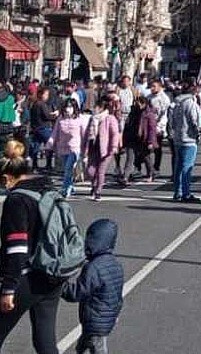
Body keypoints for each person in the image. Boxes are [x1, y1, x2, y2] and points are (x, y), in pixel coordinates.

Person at [0, 140, 62, 353]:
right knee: (45, 341)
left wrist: (8, 288)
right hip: (53, 272)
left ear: (7, 178)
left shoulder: (16, 201)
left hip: (26, 277)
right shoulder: (48, 190)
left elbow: (17, 248)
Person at [61, 218, 123, 354]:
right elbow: (118, 295)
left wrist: (61, 285)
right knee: (84, 345)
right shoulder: (115, 264)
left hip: (95, 320)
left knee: (98, 347)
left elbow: (77, 292)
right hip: (106, 317)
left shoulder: (94, 268)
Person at [168, 82, 201, 203]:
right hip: (189, 139)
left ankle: (178, 192)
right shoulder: (191, 104)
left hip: (177, 138)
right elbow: (197, 123)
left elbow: (171, 121)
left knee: (178, 167)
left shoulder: (175, 103)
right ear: (194, 92)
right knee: (187, 167)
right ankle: (185, 193)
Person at [85, 99, 122, 201]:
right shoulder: (92, 119)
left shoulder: (110, 118)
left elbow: (115, 134)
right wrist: (84, 147)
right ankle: (94, 184)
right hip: (93, 147)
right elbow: (87, 133)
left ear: (102, 108)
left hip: (106, 149)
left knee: (101, 171)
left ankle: (98, 191)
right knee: (90, 171)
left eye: (97, 107)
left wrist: (114, 147)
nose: (95, 109)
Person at [50, 99, 85, 198]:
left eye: (70, 107)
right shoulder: (60, 119)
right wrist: (50, 143)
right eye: (66, 107)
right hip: (62, 148)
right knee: (66, 169)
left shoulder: (79, 119)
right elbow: (55, 132)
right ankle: (71, 186)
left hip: (75, 148)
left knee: (68, 169)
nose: (67, 109)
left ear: (74, 108)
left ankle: (66, 189)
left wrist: (85, 148)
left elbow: (84, 134)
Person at [29, 87, 57, 171]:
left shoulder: (34, 104)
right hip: (43, 128)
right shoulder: (41, 104)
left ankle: (34, 165)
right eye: (46, 94)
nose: (47, 96)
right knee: (50, 145)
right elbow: (47, 116)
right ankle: (48, 164)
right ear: (41, 95)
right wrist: (55, 115)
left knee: (36, 147)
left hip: (36, 128)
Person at [146, 80, 171, 177]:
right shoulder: (149, 97)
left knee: (157, 147)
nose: (152, 88)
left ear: (160, 87)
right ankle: (144, 167)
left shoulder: (164, 98)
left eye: (154, 86)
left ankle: (156, 167)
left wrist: (159, 126)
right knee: (145, 147)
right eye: (151, 86)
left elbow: (164, 114)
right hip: (149, 125)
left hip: (158, 126)